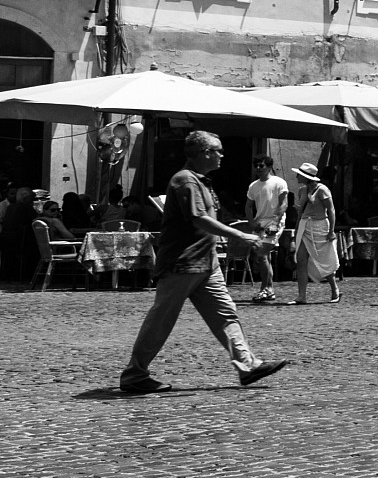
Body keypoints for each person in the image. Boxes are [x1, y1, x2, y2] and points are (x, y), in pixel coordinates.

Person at [118, 130, 290, 396]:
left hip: (206, 264)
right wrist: (241, 235)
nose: (222, 155)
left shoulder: (201, 181)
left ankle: (248, 365)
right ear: (204, 153)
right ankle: (134, 374)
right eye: (218, 150)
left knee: (225, 314)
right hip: (182, 264)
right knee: (161, 321)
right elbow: (199, 219)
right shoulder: (185, 180)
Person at [289, 162, 342, 305]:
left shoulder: (322, 190)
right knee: (301, 260)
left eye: (299, 174)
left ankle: (334, 288)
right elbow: (301, 212)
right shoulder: (302, 190)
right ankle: (302, 296)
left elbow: (331, 210)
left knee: (323, 259)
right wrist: (296, 231)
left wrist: (331, 231)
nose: (297, 176)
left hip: (320, 226)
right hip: (304, 226)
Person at [241, 157, 289, 304]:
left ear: (269, 167)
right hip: (260, 222)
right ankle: (269, 289)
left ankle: (265, 288)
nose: (258, 168)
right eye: (256, 166)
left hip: (275, 221)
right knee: (263, 256)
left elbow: (284, 203)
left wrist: (275, 223)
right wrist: (251, 222)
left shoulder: (279, 182)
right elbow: (248, 206)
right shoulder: (253, 186)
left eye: (261, 165)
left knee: (262, 253)